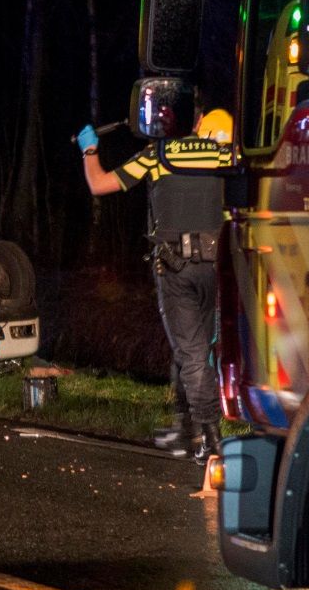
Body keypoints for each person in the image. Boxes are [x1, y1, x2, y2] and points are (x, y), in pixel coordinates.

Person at [77, 108, 234, 464]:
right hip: (219, 268)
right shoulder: (229, 155)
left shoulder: (158, 154)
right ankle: (184, 428)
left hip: (176, 268)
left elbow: (99, 184)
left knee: (191, 353)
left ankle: (211, 438)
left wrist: (89, 150)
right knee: (195, 350)